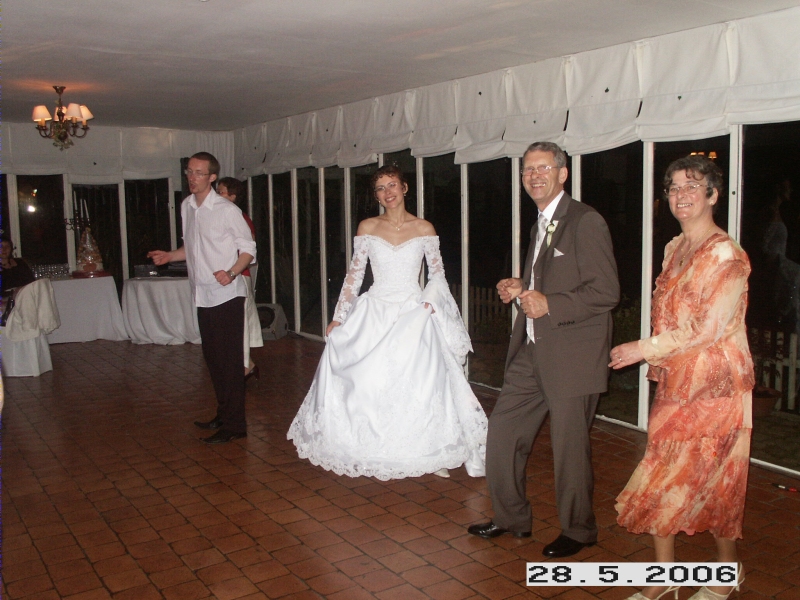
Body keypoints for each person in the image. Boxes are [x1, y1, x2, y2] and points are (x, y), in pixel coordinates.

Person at [467, 142, 620, 559]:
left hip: (573, 355)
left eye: (543, 168)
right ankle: (511, 518)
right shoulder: (541, 224)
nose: (534, 176)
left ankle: (579, 530)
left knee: (569, 449)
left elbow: (606, 291)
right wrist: (520, 288)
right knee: (501, 433)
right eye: (527, 170)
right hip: (533, 352)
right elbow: (551, 279)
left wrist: (551, 303)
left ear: (562, 174)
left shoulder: (585, 221)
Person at [287, 164, 487, 480]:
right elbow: (355, 275)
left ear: (404, 188)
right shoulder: (368, 226)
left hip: (413, 312)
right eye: (380, 188)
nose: (387, 193)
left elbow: (437, 275)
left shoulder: (423, 228)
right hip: (375, 308)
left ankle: (427, 451)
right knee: (371, 380)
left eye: (392, 185)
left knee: (419, 383)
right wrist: (339, 317)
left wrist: (429, 303)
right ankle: (370, 443)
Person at [611, 156, 753, 600]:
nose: (680, 196)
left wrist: (642, 349)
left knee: (717, 478)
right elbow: (667, 313)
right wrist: (658, 365)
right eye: (673, 188)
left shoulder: (727, 254)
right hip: (678, 381)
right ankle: (664, 580)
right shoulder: (675, 248)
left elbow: (708, 328)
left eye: (692, 186)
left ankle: (728, 574)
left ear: (713, 195)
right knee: (661, 473)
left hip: (718, 386)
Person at [148, 152, 256, 444]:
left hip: (226, 295)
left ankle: (236, 425)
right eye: (189, 172)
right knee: (214, 360)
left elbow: (248, 249)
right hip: (202, 294)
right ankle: (224, 414)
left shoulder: (225, 210)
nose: (192, 178)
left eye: (198, 173)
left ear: (212, 177)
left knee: (230, 362)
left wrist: (232, 272)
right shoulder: (187, 207)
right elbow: (192, 248)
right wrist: (169, 256)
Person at [217, 177, 263, 381]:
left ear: (233, 197)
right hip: (225, 278)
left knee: (240, 324)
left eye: (222, 192)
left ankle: (244, 367)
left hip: (238, 276)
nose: (217, 196)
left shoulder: (239, 217)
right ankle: (247, 365)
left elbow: (247, 251)